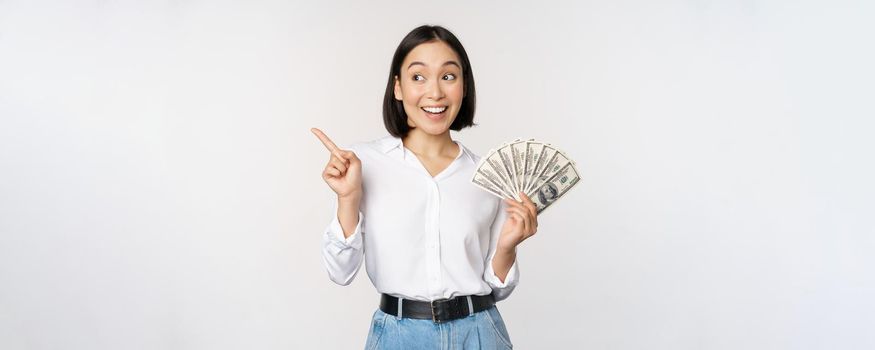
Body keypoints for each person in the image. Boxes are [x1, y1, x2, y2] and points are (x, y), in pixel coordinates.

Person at [312, 24, 540, 350]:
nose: (435, 92)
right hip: (398, 337)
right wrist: (348, 198)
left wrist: (507, 247)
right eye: (418, 77)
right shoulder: (363, 163)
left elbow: (498, 289)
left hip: (479, 334)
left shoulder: (487, 175)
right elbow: (340, 272)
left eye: (448, 76)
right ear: (398, 88)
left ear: (464, 87)